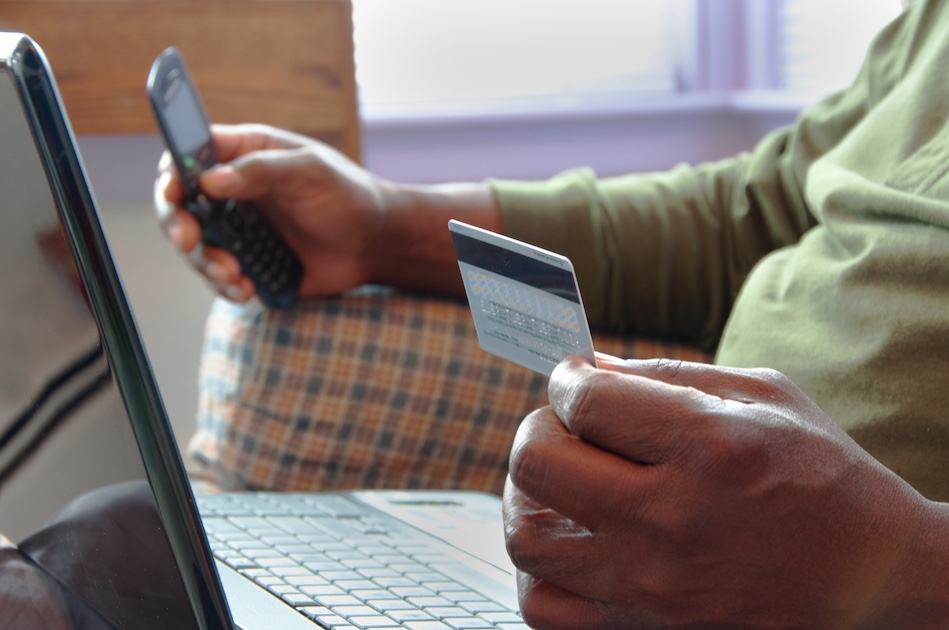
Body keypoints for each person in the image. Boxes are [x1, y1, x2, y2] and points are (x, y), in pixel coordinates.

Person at [155, 0, 949, 625]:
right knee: (102, 571)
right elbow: (751, 214)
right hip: (677, 551)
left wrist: (895, 569)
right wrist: (383, 228)